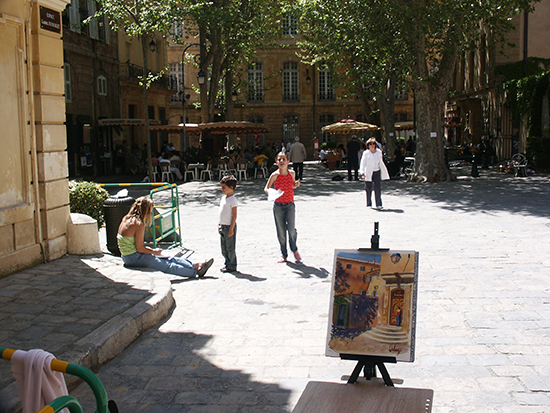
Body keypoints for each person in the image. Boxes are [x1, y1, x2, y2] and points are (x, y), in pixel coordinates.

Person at [117, 197, 213, 277]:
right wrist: (153, 251)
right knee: (166, 265)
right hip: (133, 257)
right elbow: (140, 248)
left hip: (128, 256)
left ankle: (195, 265)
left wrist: (152, 251)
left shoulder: (126, 219)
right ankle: (194, 272)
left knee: (169, 258)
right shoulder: (138, 224)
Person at [264, 152, 302, 263]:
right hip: (278, 206)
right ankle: (283, 254)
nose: (281, 161)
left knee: (291, 229)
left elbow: (292, 184)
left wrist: (296, 184)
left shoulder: (292, 173)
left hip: (290, 205)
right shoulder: (275, 175)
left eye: (283, 159)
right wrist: (271, 193)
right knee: (281, 231)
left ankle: (294, 249)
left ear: (288, 162)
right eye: (279, 159)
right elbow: (266, 188)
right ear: (276, 162)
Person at [360, 137, 390, 209]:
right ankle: (369, 203)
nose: (372, 145)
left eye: (373, 144)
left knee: (378, 188)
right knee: (368, 189)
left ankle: (379, 204)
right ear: (368, 145)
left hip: (377, 171)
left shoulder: (379, 152)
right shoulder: (366, 153)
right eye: (370, 144)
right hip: (368, 172)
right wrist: (362, 173)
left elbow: (381, 162)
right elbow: (363, 163)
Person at [218, 175, 238, 273]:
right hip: (223, 225)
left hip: (229, 226)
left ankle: (232, 264)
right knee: (224, 247)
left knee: (230, 247)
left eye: (224, 187)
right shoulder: (223, 198)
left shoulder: (233, 200)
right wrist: (219, 223)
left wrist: (231, 229)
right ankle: (227, 262)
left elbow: (234, 215)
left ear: (231, 188)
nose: (222, 189)